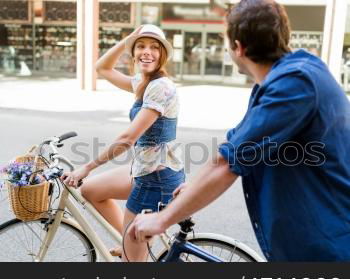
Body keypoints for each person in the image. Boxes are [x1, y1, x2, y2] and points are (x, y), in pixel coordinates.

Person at [129, 0, 350, 261]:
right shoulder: (290, 77)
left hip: (327, 249)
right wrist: (193, 188)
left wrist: (162, 219)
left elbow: (227, 163)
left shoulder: (294, 84)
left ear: (238, 47)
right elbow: (233, 146)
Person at [61, 24, 184, 262]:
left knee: (132, 264)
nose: (146, 52)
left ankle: (133, 253)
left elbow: (128, 139)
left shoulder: (161, 88)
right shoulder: (143, 81)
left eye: (154, 48)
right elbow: (102, 68)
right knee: (90, 190)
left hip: (156, 178)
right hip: (145, 169)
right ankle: (127, 241)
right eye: (141, 46)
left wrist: (87, 167)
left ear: (163, 55)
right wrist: (129, 38)